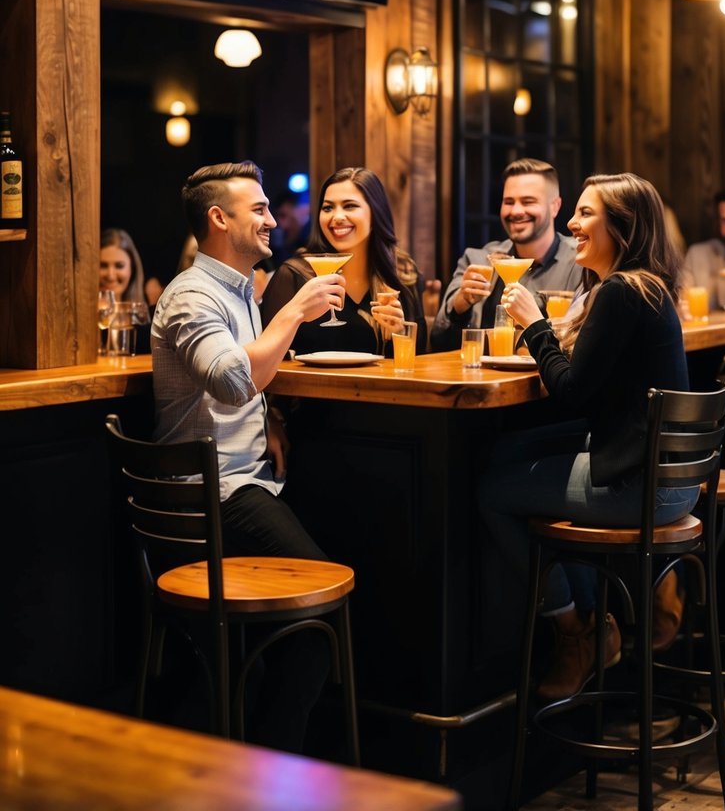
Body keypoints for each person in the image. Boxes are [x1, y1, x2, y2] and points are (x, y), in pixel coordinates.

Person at [151, 160, 347, 752]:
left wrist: (275, 423)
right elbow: (234, 383)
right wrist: (294, 310)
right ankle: (264, 771)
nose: (272, 219)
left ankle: (253, 760)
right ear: (219, 218)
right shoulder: (192, 296)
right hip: (207, 497)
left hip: (244, 481)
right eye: (259, 209)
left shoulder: (238, 290)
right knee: (316, 626)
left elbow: (252, 389)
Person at [478, 173, 695, 699]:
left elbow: (572, 393)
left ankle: (575, 630)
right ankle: (595, 622)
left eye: (584, 214)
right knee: (504, 453)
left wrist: (534, 327)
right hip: (669, 478)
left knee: (490, 492)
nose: (571, 224)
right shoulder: (640, 285)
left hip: (640, 487)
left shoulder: (622, 291)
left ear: (621, 227)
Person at [261, 166, 426, 356]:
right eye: (328, 208)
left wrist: (400, 333)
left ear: (375, 213)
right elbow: (269, 355)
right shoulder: (295, 275)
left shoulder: (402, 272)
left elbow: (419, 357)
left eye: (350, 206)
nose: (337, 217)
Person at [430, 157, 581, 352]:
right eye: (509, 202)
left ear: (555, 206)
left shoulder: (579, 263)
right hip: (480, 380)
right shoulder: (478, 260)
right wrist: (461, 304)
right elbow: (439, 343)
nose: (516, 211)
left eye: (528, 201)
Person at [100, 227, 147, 304]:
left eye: (119, 266)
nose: (110, 276)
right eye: (103, 265)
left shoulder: (143, 313)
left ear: (132, 268)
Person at [272, 189, 311, 264]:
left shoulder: (314, 237)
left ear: (302, 209)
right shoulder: (289, 242)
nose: (282, 225)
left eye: (283, 215)